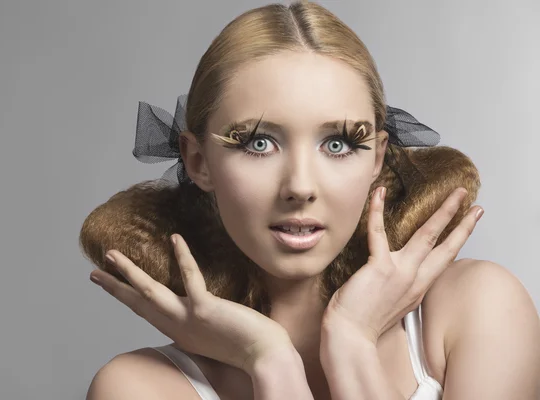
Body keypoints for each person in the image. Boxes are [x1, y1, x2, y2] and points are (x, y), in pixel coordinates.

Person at [79, 2, 540, 399]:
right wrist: (270, 361)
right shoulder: (140, 388)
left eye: (337, 144)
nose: (300, 186)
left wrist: (352, 342)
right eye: (258, 144)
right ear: (198, 161)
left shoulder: (477, 310)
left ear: (378, 157)